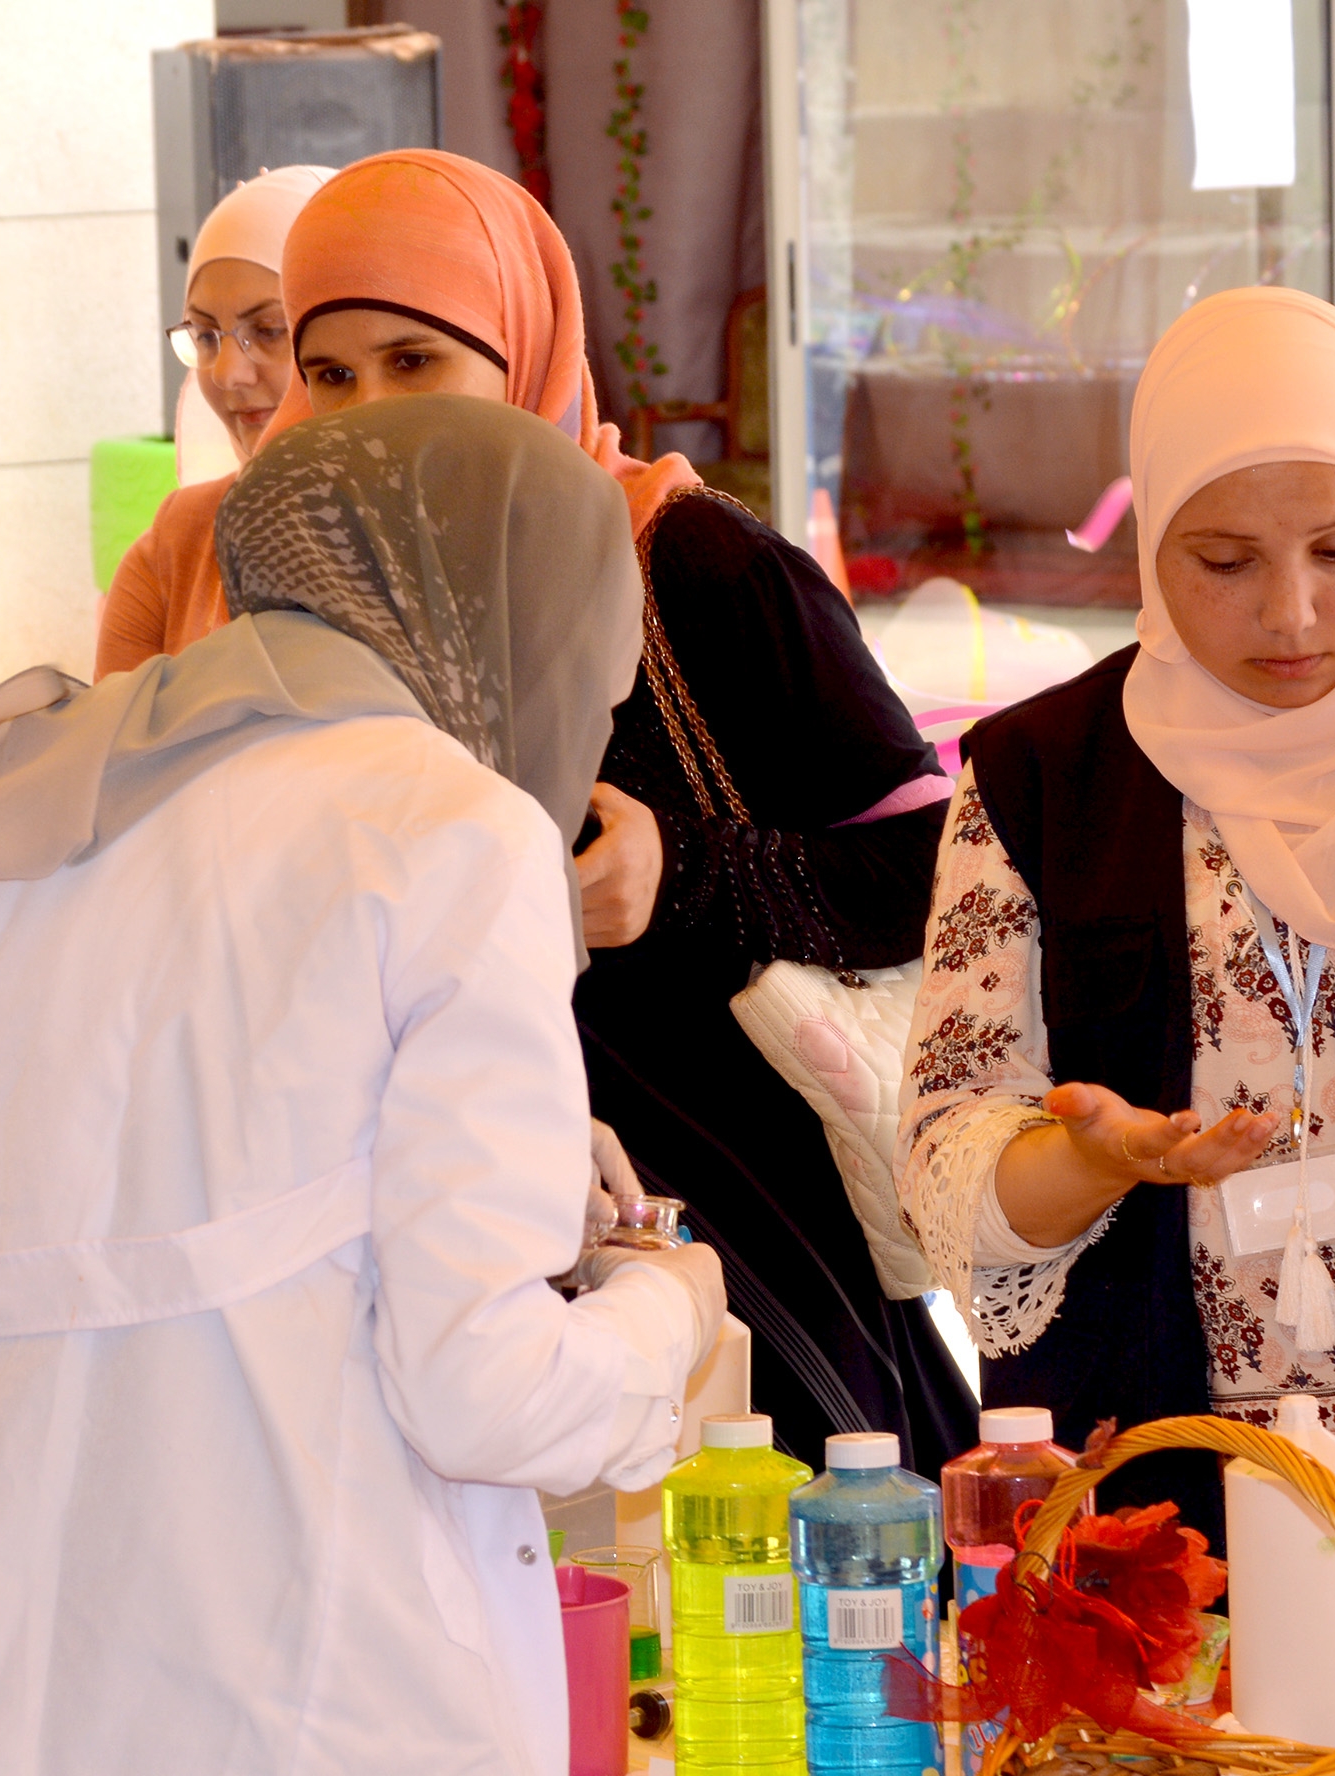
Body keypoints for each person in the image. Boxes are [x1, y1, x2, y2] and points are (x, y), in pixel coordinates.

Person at [0, 394, 726, 1776]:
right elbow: (485, 1392)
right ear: (497, 610)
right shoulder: (450, 827)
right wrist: (669, 1309)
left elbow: (77, 1228)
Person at [276, 147, 972, 1476]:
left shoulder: (690, 565)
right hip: (454, 1231)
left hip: (747, 1226)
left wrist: (683, 872)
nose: (368, 415)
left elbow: (938, 870)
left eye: (415, 361)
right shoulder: (317, 616)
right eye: (332, 374)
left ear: (522, 350)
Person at [898, 286, 1335, 1671]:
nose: (1290, 611)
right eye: (1224, 559)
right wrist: (1096, 1160)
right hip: (1163, 1546)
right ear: (1151, 543)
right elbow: (948, 1169)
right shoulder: (1043, 779)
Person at [95, 164, 334, 681]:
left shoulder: (430, 542)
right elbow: (113, 730)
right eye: (205, 336)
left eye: (268, 330)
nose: (227, 374)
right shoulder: (176, 548)